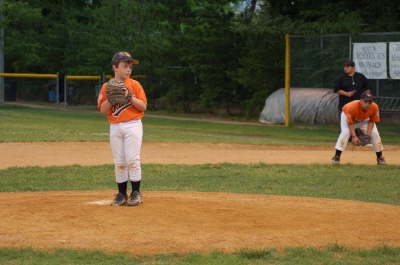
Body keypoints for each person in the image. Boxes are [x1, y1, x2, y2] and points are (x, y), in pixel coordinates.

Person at [97, 51, 147, 206]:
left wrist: (130, 97)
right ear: (115, 67)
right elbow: (103, 110)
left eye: (130, 67)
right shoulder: (107, 86)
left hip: (133, 125)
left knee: (132, 160)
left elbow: (143, 107)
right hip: (115, 126)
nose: (128, 70)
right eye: (125, 66)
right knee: (119, 162)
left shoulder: (135, 85)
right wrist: (112, 98)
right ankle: (121, 194)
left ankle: (136, 193)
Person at [331, 92, 386, 165]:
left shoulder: (374, 107)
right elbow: (350, 123)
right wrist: (354, 136)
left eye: (370, 101)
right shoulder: (351, 107)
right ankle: (336, 156)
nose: (368, 104)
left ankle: (380, 158)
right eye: (365, 101)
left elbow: (372, 121)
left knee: (375, 134)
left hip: (364, 120)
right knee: (346, 132)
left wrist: (368, 135)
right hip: (347, 118)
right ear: (360, 101)